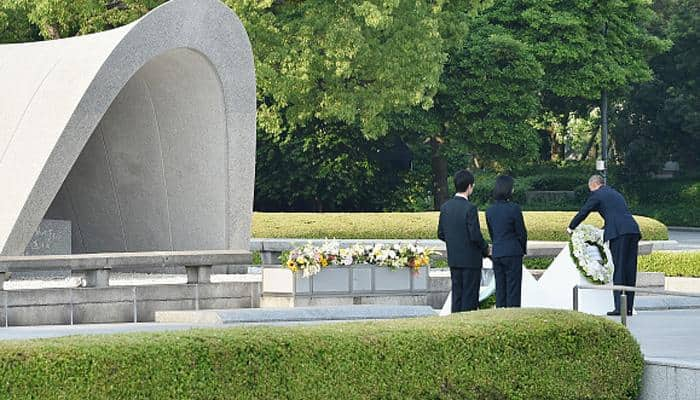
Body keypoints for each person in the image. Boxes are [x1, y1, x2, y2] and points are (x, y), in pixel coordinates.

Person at [568, 175, 641, 316]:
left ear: (593, 185)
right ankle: (629, 307)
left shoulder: (598, 194)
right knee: (630, 269)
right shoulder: (615, 193)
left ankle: (620, 308)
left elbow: (584, 211)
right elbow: (615, 214)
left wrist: (571, 227)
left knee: (619, 268)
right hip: (632, 230)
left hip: (619, 234)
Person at [438, 170, 490, 312]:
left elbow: (441, 233)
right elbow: (475, 235)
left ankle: (454, 324)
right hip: (471, 260)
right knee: (470, 296)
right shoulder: (470, 208)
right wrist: (486, 249)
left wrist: (454, 241)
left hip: (454, 259)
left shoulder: (445, 207)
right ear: (469, 186)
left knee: (457, 295)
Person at [486, 175, 527, 308]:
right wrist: (521, 249)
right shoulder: (514, 208)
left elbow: (492, 232)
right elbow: (521, 232)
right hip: (513, 251)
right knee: (513, 290)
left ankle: (500, 316)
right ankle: (513, 318)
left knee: (500, 289)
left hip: (498, 252)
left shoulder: (490, 210)